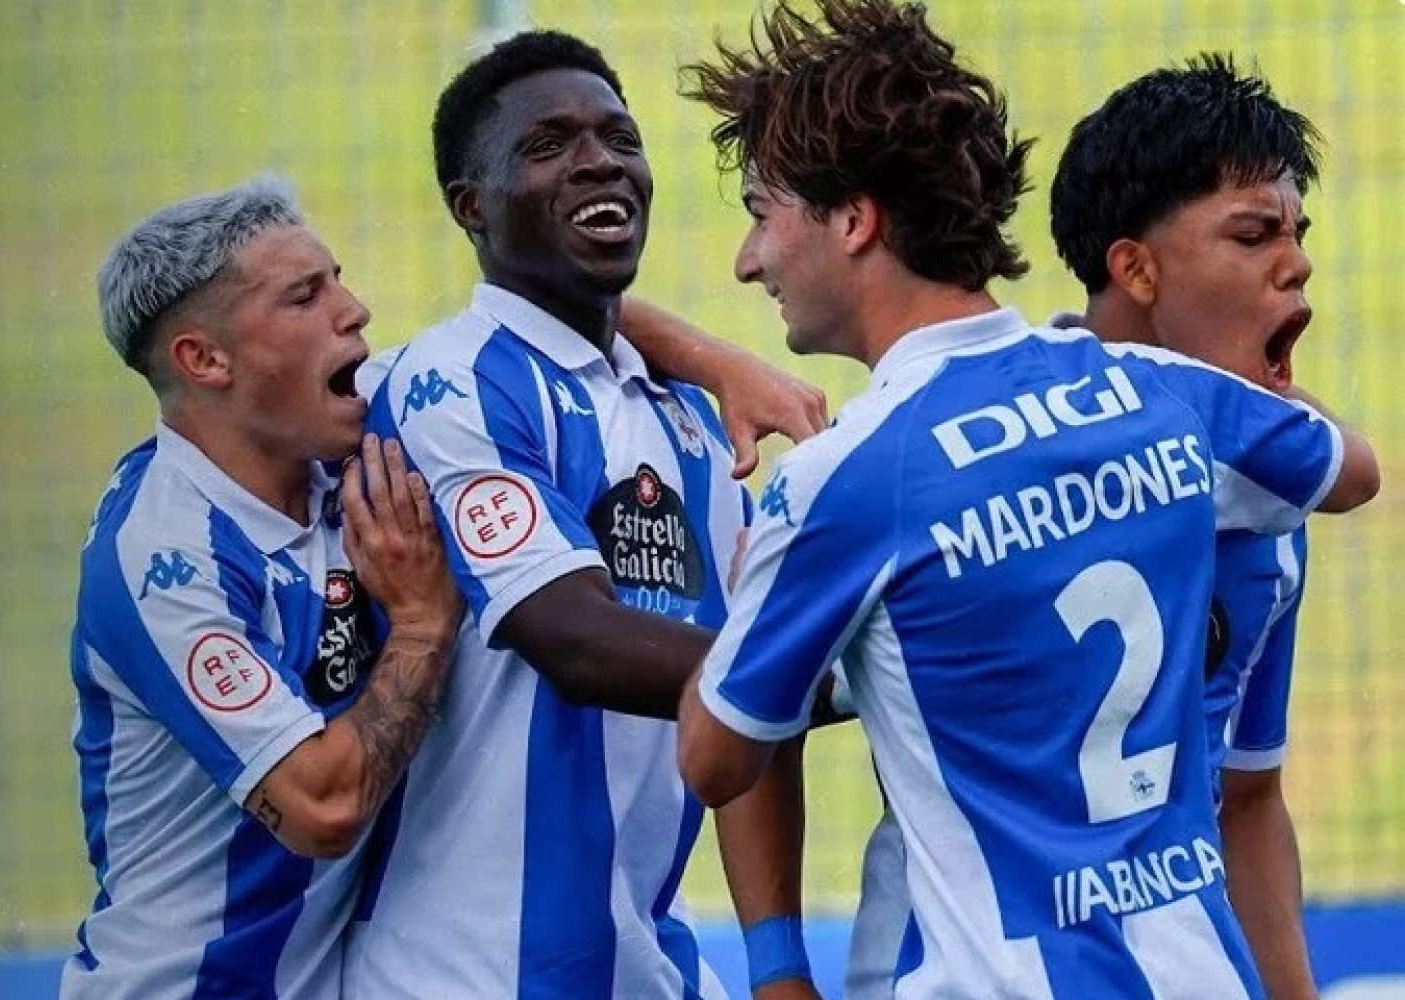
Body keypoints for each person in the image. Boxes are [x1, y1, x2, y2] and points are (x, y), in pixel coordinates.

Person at [674, 4, 1378, 1000]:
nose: (750, 259)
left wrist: (760, 582)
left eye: (761, 213)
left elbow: (712, 758)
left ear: (855, 219)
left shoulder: (848, 481)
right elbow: (1350, 471)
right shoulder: (1170, 399)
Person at [843, 54, 1349, 1000]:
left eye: (1297, 232)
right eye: (1253, 234)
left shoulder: (1269, 503)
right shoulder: (966, 470)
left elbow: (1247, 799)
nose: (1297, 262)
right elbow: (758, 712)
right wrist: (778, 969)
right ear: (1135, 268)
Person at [342, 30, 827, 1000]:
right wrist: (848, 676)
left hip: (645, 971)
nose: (600, 161)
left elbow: (739, 709)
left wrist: (776, 968)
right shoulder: (450, 386)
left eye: (619, 137)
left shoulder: (697, 427)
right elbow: (573, 637)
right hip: (460, 979)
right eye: (548, 145)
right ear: (470, 207)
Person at [62, 176, 465, 1000]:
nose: (355, 311)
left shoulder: (334, 436)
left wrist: (724, 369)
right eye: (304, 297)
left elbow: (509, 341)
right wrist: (423, 625)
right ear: (206, 360)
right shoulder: (168, 556)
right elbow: (322, 808)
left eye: (338, 280)